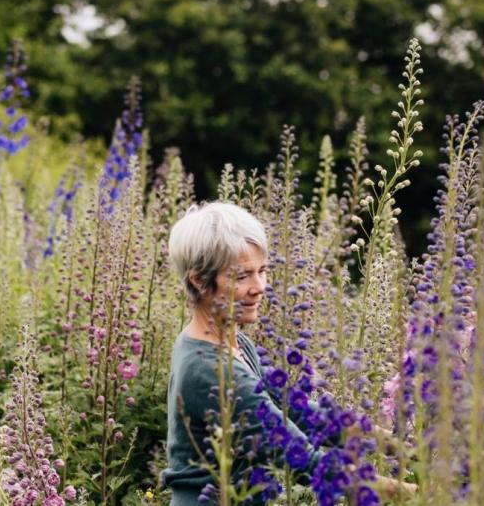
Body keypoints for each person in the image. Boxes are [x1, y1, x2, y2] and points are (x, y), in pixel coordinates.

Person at [159, 202, 413, 505]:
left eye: (262, 271)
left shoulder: (233, 343)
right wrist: (420, 495)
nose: (259, 287)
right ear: (199, 281)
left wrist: (398, 445)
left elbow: (301, 411)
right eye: (242, 277)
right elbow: (306, 461)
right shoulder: (208, 367)